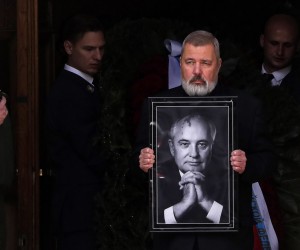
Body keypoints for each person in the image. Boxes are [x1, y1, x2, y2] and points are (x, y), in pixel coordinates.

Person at [135, 30, 276, 250]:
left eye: (205, 63)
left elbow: (268, 161)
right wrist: (141, 162)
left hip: (228, 241)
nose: (197, 71)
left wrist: (247, 165)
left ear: (219, 65)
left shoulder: (247, 107)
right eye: (190, 62)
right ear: (180, 63)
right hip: (173, 241)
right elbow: (135, 165)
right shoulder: (156, 107)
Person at [225, 11, 300, 249]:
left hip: (288, 187)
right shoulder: (237, 78)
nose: (279, 52)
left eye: (287, 45)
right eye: (274, 43)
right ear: (262, 41)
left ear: (297, 47)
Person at [45, 13, 107, 250]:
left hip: (82, 210)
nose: (98, 56)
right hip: (79, 212)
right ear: (68, 47)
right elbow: (93, 151)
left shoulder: (84, 86)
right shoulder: (69, 93)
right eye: (89, 49)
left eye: (102, 49)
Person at [157, 113, 228, 224]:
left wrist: (206, 201)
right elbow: (149, 224)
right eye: (185, 144)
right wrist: (184, 204)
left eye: (202, 144)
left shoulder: (227, 178)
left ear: (211, 148)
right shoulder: (157, 177)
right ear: (172, 148)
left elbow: (236, 223)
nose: (194, 154)